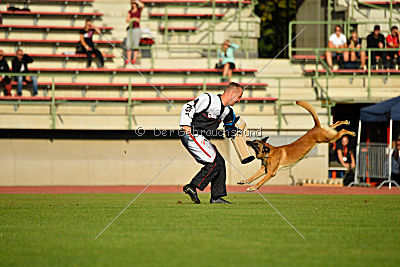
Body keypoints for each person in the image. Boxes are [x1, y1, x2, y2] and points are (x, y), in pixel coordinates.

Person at [180, 82, 243, 204]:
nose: (239, 101)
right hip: (192, 134)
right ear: (232, 94)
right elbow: (188, 106)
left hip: (202, 138)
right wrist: (185, 125)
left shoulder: (228, 111)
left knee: (219, 162)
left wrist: (232, 131)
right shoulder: (208, 99)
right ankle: (192, 186)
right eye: (239, 97)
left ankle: (216, 197)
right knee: (213, 163)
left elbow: (229, 129)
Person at [126, 0, 144, 65]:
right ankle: (128, 59)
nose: (133, 4)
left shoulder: (139, 10)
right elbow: (127, 20)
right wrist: (134, 19)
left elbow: (142, 5)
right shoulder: (130, 11)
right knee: (128, 45)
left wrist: (136, 0)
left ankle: (134, 59)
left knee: (136, 44)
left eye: (134, 3)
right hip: (130, 29)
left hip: (137, 29)